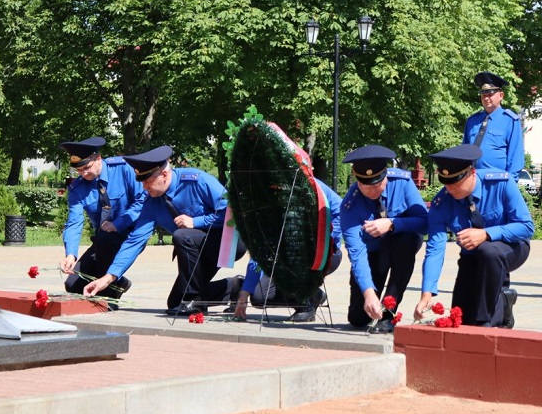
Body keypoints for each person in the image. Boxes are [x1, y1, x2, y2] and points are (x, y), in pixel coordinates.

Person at [83, 145, 246, 315]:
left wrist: (196, 221)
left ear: (164, 175)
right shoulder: (152, 202)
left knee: (182, 236)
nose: (144, 187)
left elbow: (233, 213)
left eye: (148, 182)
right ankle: (234, 287)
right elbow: (134, 241)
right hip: (195, 250)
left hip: (227, 243)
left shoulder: (197, 181)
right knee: (175, 302)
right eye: (142, 182)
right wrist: (108, 278)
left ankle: (194, 301)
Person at [414, 144, 533, 328]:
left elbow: (526, 227)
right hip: (472, 257)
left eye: (456, 183)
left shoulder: (500, 183)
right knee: (461, 320)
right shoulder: (442, 203)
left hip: (513, 248)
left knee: (488, 252)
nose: (451, 189)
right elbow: (435, 249)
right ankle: (504, 300)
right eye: (446, 183)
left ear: (472, 173)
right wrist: (427, 293)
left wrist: (486, 234)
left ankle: (488, 320)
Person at [340, 145, 428, 333]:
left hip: (401, 244)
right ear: (357, 180)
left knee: (405, 242)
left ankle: (389, 313)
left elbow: (425, 222)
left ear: (386, 176)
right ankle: (373, 302)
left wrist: (393, 224)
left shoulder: (402, 183)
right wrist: (368, 293)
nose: (371, 191)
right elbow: (356, 253)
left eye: (376, 185)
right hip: (373, 252)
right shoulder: (350, 206)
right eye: (365, 186)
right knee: (358, 318)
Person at [232, 178, 342, 323]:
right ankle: (314, 295)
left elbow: (342, 212)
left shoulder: (311, 184)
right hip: (285, 258)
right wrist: (244, 294)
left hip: (324, 253)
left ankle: (305, 307)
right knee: (259, 297)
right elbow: (260, 250)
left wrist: (325, 238)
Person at [58, 136, 145, 303]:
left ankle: (108, 299)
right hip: (103, 239)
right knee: (73, 285)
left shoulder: (123, 169)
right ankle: (120, 283)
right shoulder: (77, 188)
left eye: (86, 167)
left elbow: (142, 200)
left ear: (98, 158)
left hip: (131, 232)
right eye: (79, 170)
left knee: (104, 243)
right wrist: (70, 254)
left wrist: (118, 224)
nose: (83, 173)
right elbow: (74, 222)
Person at [463, 71, 525, 181]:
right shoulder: (472, 121)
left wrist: (509, 183)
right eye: (483, 95)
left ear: (501, 96)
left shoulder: (510, 121)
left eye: (490, 95)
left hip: (497, 181)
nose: (486, 98)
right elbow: (464, 152)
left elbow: (516, 158)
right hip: (472, 180)